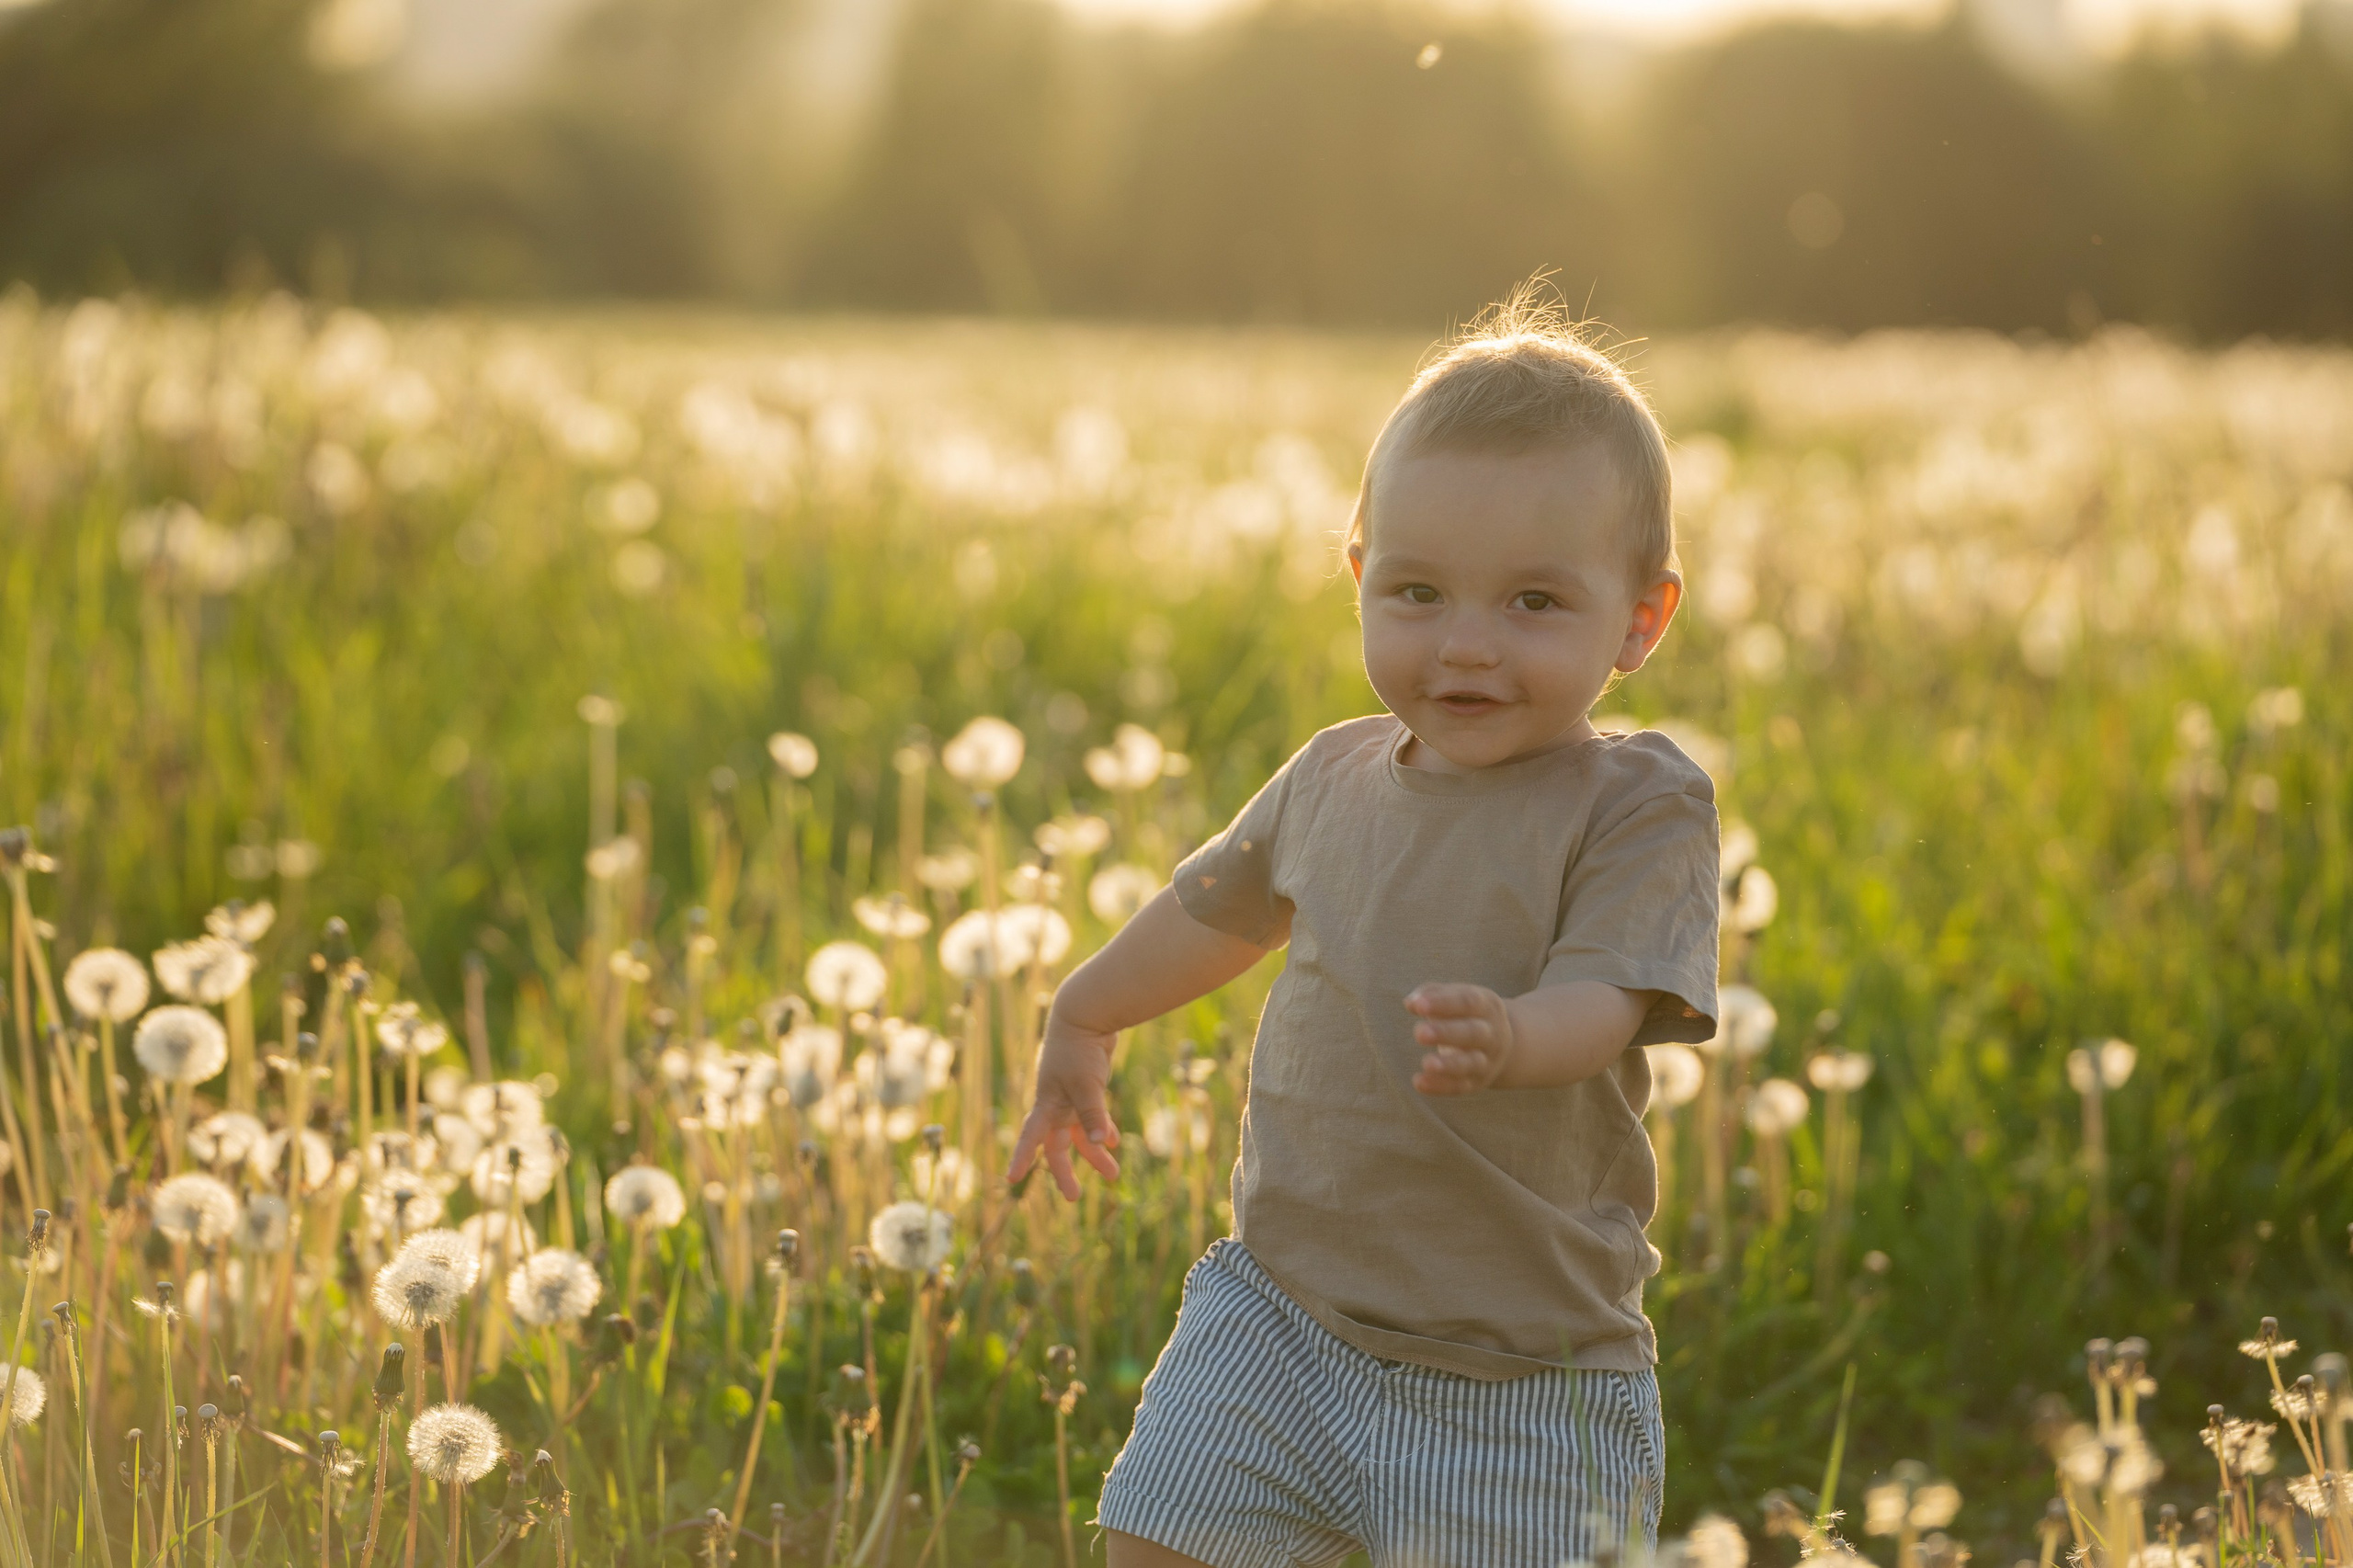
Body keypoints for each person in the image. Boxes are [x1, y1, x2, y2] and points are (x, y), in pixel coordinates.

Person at [1007, 290, 1722, 1568]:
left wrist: (1515, 1033)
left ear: (1641, 618)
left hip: (1519, 1382)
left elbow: (1608, 999)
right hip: (1278, 1317)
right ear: (1358, 574)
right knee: (1150, 1544)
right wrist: (1085, 1010)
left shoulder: (1636, 804)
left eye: (1534, 604)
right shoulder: (1330, 777)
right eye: (1418, 590)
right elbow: (1210, 914)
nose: (1464, 645)